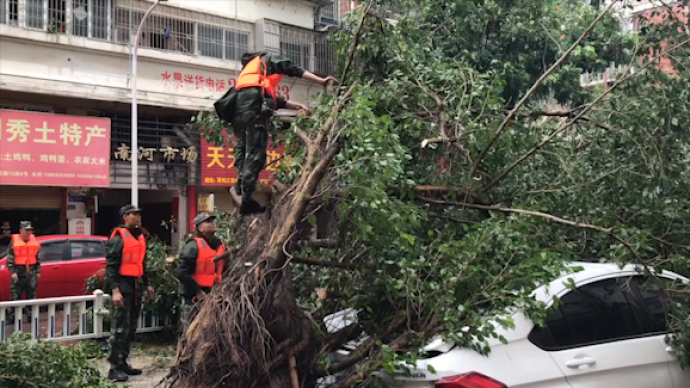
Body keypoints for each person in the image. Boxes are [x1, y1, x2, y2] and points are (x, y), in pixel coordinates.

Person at [231, 51, 339, 215]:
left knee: (243, 149)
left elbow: (276, 101)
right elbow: (293, 69)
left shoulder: (249, 77)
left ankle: (240, 184)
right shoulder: (267, 59)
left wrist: (298, 106)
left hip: (238, 112)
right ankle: (247, 201)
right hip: (254, 114)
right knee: (255, 156)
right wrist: (321, 81)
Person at [104, 205, 155, 382]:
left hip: (136, 285)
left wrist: (147, 285)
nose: (138, 217)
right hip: (123, 285)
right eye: (134, 214)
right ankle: (114, 368)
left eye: (139, 214)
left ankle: (123, 362)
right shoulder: (118, 238)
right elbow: (110, 268)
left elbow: (142, 264)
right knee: (119, 328)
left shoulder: (140, 237)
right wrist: (115, 290)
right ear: (125, 217)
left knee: (131, 328)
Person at [177, 213, 227, 332]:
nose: (212, 224)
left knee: (210, 331)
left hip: (213, 293)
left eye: (212, 221)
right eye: (208, 222)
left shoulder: (220, 244)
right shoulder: (193, 246)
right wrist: (197, 291)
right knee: (191, 331)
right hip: (193, 296)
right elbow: (182, 272)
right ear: (200, 228)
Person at [6, 221, 41, 321]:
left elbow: (38, 257)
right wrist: (13, 272)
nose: (28, 232)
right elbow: (10, 258)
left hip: (31, 273)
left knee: (31, 296)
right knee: (15, 296)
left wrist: (38, 271)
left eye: (30, 230)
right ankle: (12, 318)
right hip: (18, 273)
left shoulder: (34, 242)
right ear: (21, 230)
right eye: (26, 230)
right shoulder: (14, 242)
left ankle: (31, 317)